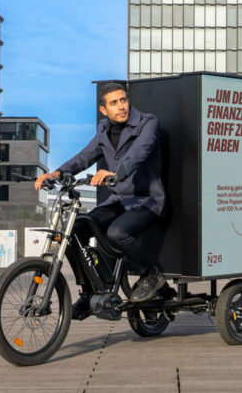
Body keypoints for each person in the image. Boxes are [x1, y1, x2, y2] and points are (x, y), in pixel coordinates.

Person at [35, 82, 166, 318]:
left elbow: (140, 152)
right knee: (75, 230)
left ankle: (150, 274)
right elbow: (85, 156)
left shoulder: (148, 122)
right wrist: (57, 173)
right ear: (104, 109)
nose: (121, 106)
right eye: (114, 103)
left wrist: (117, 173)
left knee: (116, 233)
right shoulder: (104, 130)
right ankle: (91, 291)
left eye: (123, 100)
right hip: (118, 200)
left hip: (145, 200)